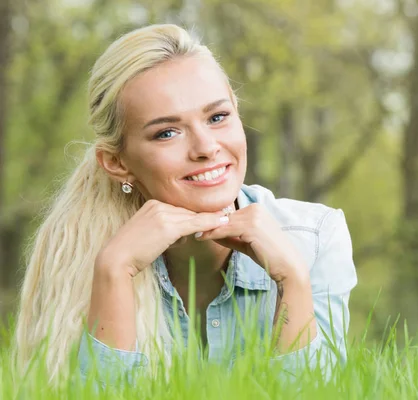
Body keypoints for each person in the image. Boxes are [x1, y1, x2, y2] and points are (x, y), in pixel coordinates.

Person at [13, 24, 357, 385]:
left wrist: (293, 279)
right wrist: (115, 270)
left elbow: (312, 392)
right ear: (117, 163)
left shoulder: (315, 237)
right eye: (167, 132)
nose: (206, 147)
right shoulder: (79, 248)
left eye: (217, 117)